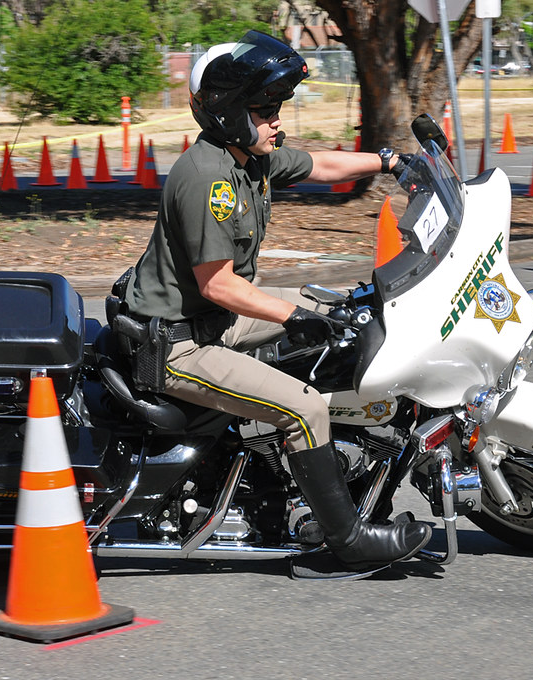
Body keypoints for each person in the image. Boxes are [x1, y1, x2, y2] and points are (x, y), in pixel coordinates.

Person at [119, 31, 430, 573]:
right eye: (264, 111)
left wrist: (389, 162)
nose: (277, 121)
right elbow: (219, 285)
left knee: (342, 308)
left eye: (277, 108)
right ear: (228, 115)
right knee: (305, 407)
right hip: (179, 344)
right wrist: (293, 318)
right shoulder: (206, 178)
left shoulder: (248, 158)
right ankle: (347, 540)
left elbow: (321, 166)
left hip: (213, 319)